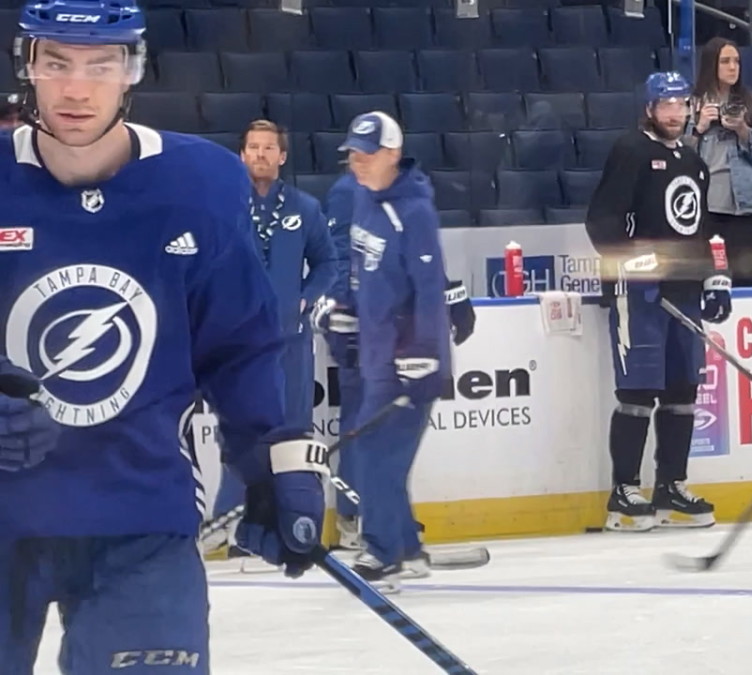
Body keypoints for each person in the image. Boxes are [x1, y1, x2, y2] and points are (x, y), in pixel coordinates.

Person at [0, 1, 329, 671]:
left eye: (101, 63)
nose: (76, 87)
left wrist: (273, 464)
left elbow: (237, 345)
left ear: (133, 69)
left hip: (140, 519)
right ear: (26, 65)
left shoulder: (199, 182)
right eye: (56, 62)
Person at [585, 71, 732, 533]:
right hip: (640, 295)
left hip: (684, 292)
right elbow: (602, 221)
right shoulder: (630, 151)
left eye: (680, 104)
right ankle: (624, 491)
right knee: (637, 391)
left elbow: (700, 227)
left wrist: (714, 278)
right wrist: (634, 265)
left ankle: (670, 486)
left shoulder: (692, 158)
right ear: (649, 108)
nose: (674, 112)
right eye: (665, 104)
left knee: (682, 391)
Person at [313, 111, 450, 591]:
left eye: (366, 153)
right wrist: (341, 310)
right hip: (376, 357)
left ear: (392, 154)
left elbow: (429, 290)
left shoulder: (413, 211)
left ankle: (384, 552)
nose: (357, 162)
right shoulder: (361, 200)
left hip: (411, 365)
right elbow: (357, 269)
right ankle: (406, 549)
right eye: (352, 153)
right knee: (373, 453)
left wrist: (425, 355)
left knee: (379, 457)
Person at [318, 170, 476, 552]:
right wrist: (342, 308)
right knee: (369, 439)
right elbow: (344, 257)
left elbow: (422, 267)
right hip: (368, 335)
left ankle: (392, 533)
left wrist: (450, 297)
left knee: (386, 444)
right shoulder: (348, 194)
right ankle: (362, 522)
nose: (359, 160)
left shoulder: (412, 203)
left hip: (402, 341)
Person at [210, 119, 337, 550]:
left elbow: (328, 263)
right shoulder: (223, 205)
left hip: (290, 342)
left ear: (281, 156)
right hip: (239, 344)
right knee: (241, 431)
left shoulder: (305, 207)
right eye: (252, 147)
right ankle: (229, 526)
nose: (260, 154)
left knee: (293, 434)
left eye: (268, 148)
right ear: (242, 154)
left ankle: (298, 526)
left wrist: (306, 297)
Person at [684, 37, 752, 287]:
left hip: (748, 205)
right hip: (712, 205)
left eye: (737, 61)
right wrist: (699, 128)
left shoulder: (750, 102)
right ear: (712, 65)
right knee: (715, 277)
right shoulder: (692, 104)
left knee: (746, 278)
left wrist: (742, 130)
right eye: (725, 61)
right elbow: (681, 160)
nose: (733, 67)